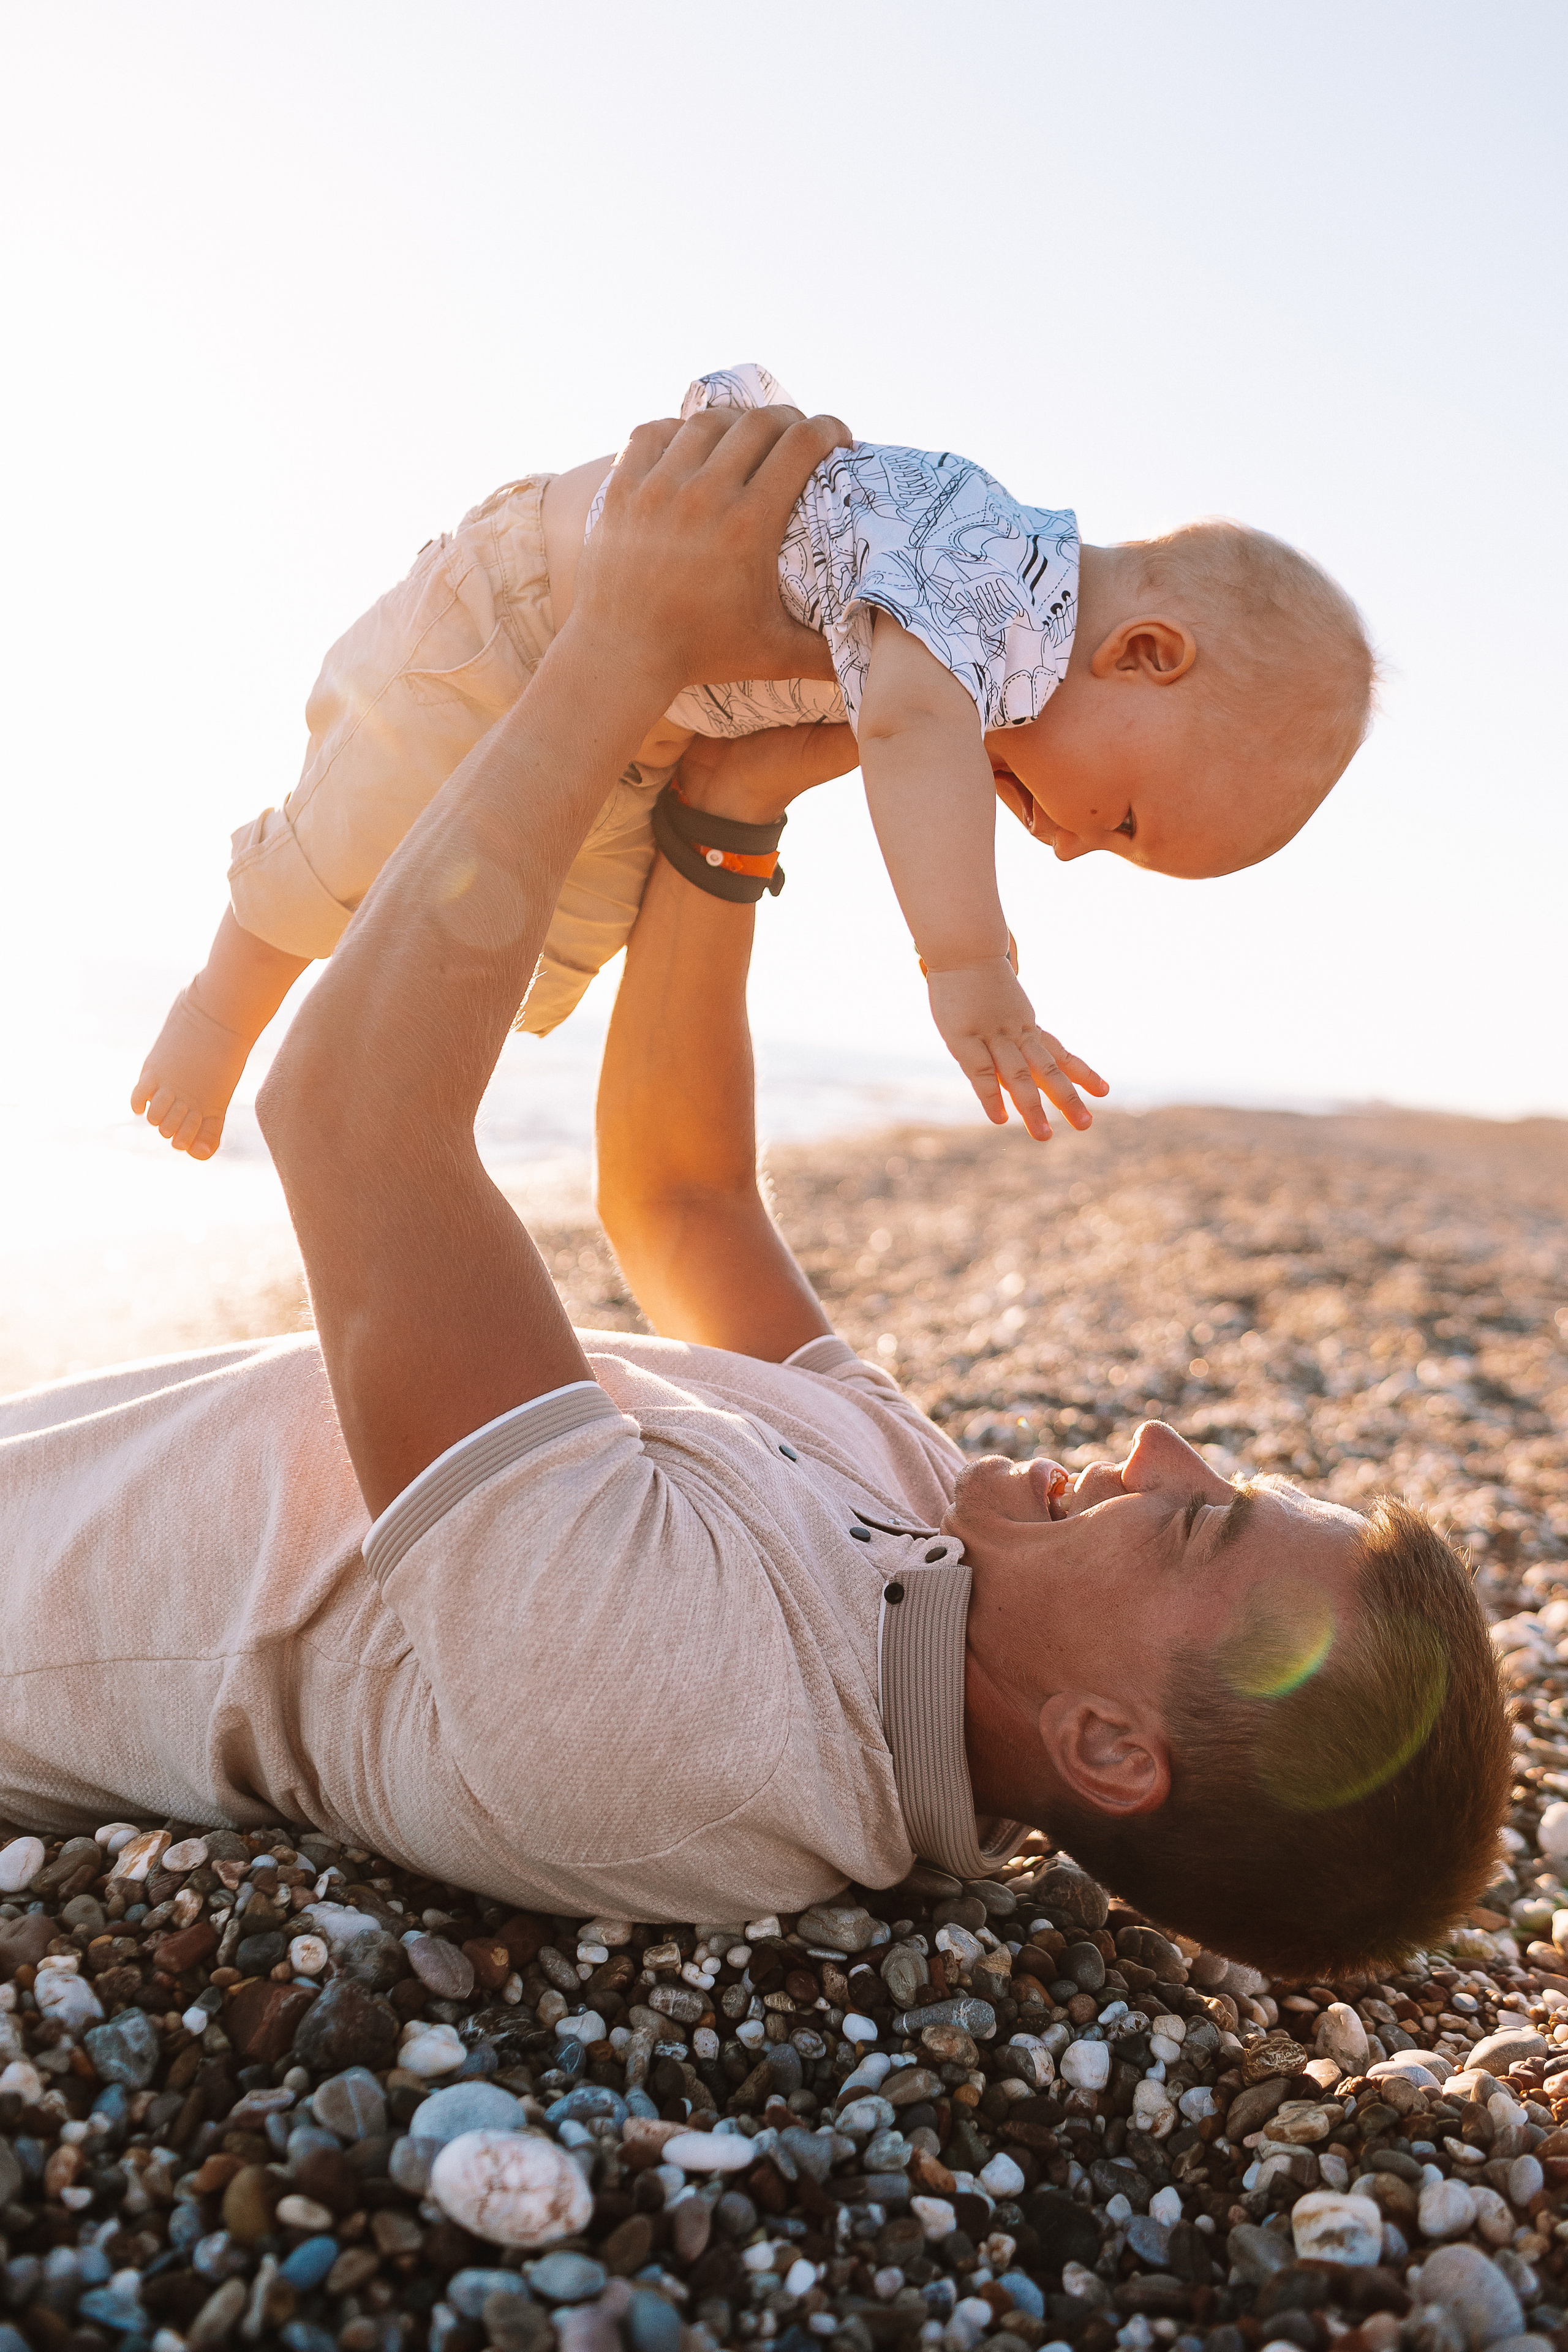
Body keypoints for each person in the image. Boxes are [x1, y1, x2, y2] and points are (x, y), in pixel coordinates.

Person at [10, 404, 1496, 1976]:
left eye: (1197, 1527)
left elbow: (348, 1119)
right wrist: (725, 813)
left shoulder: (700, 1711)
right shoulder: (935, 1539)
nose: (1157, 1443)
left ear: (1109, 1749)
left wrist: (616, 648)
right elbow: (679, 1204)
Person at [132, 363, 1376, 1163]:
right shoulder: (991, 575)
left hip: (646, 719)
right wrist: (971, 970)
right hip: (517, 618)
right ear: (1146, 654)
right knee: (353, 834)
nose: (1063, 843)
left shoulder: (988, 637)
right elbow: (906, 738)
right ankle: (216, 1012)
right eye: (1124, 824)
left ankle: (373, 1106)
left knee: (537, 930)